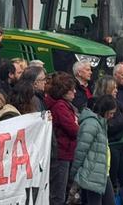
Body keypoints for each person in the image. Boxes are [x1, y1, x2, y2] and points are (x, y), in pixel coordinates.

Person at [73, 95, 117, 205]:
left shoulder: (102, 124)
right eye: (111, 113)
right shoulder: (91, 124)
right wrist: (73, 174)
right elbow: (81, 151)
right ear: (104, 111)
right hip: (91, 174)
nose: (112, 116)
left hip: (102, 173)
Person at [45, 72, 79, 205]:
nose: (75, 92)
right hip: (62, 154)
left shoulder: (63, 105)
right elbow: (73, 129)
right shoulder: (60, 107)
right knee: (58, 193)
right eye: (72, 89)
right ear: (64, 91)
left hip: (65, 153)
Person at [94, 75, 123, 189]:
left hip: (121, 144)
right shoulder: (97, 104)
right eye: (113, 87)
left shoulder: (117, 102)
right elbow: (109, 126)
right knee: (112, 181)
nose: (116, 90)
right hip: (111, 145)